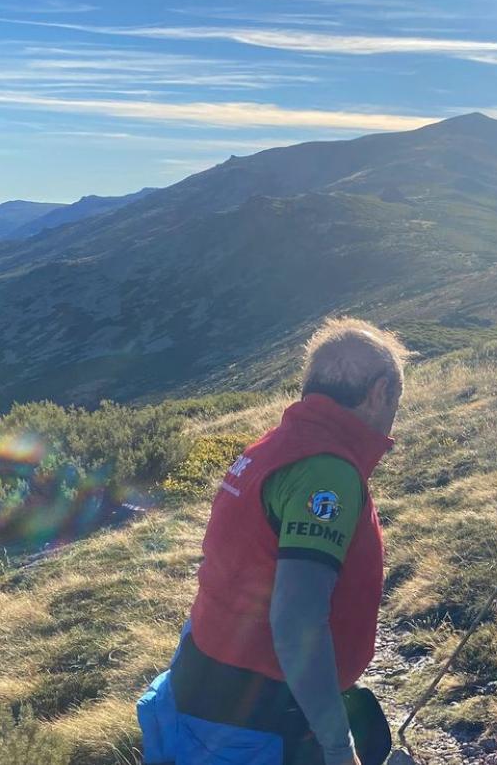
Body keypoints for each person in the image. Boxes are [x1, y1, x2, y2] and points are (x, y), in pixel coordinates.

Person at [137, 318, 408, 765]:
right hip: (258, 718)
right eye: (395, 401)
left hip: (205, 680)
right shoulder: (327, 471)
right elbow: (298, 622)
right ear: (379, 392)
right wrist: (337, 748)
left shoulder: (271, 446)